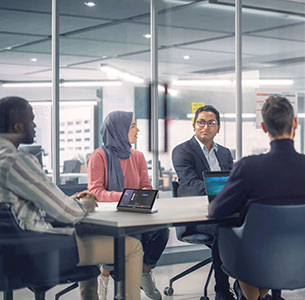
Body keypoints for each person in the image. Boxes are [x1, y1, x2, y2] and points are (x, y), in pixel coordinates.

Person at [0, 96, 143, 300]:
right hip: (34, 251)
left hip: (7, 250)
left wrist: (69, 200)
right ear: (16, 126)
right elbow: (67, 213)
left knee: (86, 237)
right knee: (131, 247)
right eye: (31, 119)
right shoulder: (16, 160)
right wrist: (84, 204)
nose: (35, 124)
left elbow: (15, 207)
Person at [208, 96, 305, 300]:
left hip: (259, 260)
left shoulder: (249, 167)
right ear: (295, 124)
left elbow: (216, 211)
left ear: (265, 127)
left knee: (242, 238)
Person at [87, 111, 169, 300]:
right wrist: (129, 197)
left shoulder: (138, 156)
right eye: (132, 126)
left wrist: (138, 197)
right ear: (119, 130)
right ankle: (104, 274)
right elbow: (96, 192)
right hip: (109, 220)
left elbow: (146, 188)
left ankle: (144, 272)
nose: (137, 130)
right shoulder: (98, 157)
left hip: (136, 215)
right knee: (128, 236)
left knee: (162, 231)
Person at [171, 105, 235, 300]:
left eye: (211, 123)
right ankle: (222, 289)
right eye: (201, 122)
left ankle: (246, 284)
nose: (205, 127)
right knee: (223, 228)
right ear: (194, 125)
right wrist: (225, 191)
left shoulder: (224, 153)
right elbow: (191, 185)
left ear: (218, 127)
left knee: (252, 222)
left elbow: (233, 181)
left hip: (224, 211)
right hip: (195, 217)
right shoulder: (182, 151)